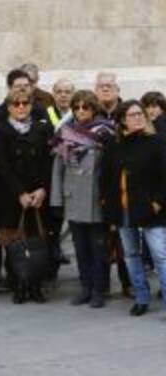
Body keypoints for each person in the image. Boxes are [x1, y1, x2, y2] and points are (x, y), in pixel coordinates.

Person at [101, 100, 166, 317]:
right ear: (122, 120)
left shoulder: (156, 142)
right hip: (123, 209)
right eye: (132, 115)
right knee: (130, 254)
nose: (138, 117)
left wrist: (157, 202)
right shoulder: (114, 144)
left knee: (160, 255)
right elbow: (106, 176)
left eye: (140, 114)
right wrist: (105, 202)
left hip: (151, 209)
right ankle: (141, 297)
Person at [50, 90, 113, 309]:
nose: (80, 111)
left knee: (98, 247)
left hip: (96, 199)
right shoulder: (65, 133)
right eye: (76, 107)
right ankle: (85, 288)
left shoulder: (105, 132)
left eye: (85, 107)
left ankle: (99, 290)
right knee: (80, 247)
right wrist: (57, 200)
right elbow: (57, 170)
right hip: (73, 198)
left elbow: (112, 170)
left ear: (94, 109)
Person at [0, 88, 54, 304]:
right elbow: (1, 165)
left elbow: (48, 162)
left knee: (36, 241)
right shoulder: (0, 130)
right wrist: (20, 193)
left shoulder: (42, 129)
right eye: (16, 104)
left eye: (25, 103)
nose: (21, 108)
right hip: (10, 196)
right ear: (8, 107)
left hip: (37, 196)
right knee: (14, 242)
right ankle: (17, 284)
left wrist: (42, 189)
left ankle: (35, 285)